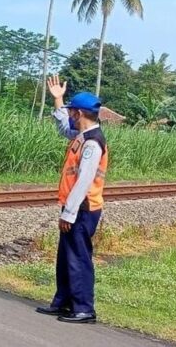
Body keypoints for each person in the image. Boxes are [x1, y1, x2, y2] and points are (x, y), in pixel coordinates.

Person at [35, 75, 108, 324]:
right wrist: (58, 100)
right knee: (66, 257)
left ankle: (84, 308)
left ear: (78, 113)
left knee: (78, 258)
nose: (70, 116)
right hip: (77, 206)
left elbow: (84, 180)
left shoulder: (92, 143)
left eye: (71, 111)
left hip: (83, 208)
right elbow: (63, 128)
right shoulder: (82, 134)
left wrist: (69, 213)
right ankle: (64, 302)